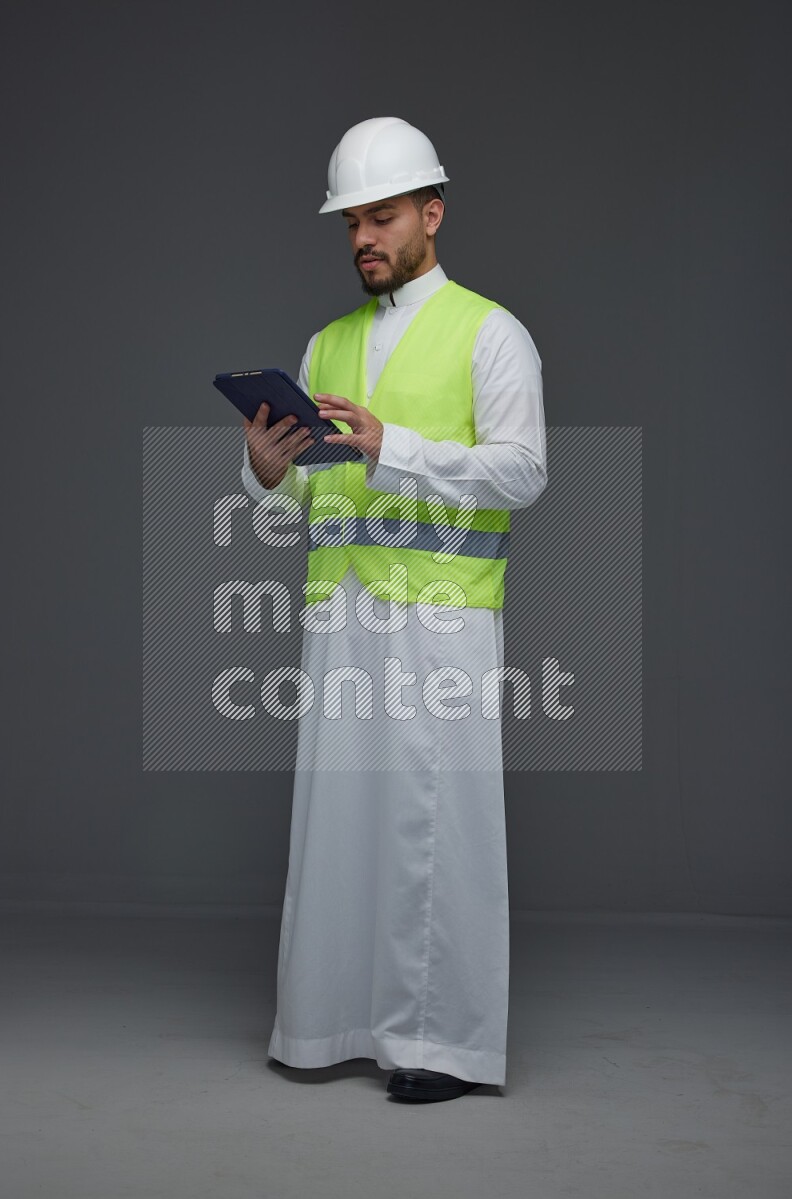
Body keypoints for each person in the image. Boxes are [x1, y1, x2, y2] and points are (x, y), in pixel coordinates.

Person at [240, 116, 547, 1103]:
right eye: (350, 222)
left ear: (431, 213)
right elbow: (297, 494)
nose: (364, 236)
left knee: (436, 824)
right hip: (341, 614)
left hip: (443, 615)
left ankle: (438, 1045)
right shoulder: (324, 343)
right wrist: (262, 469)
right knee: (338, 823)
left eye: (381, 216)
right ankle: (323, 1024)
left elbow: (523, 471)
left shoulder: (489, 331)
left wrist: (394, 446)